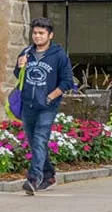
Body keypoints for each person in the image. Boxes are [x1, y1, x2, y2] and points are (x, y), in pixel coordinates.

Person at [16, 17, 74, 195]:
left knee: (40, 139)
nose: (37, 36)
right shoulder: (26, 52)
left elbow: (67, 81)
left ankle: (34, 178)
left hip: (47, 106)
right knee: (35, 142)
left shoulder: (58, 55)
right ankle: (49, 175)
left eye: (41, 33)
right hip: (28, 104)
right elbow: (19, 76)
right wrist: (20, 66)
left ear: (50, 35)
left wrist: (51, 97)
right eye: (35, 33)